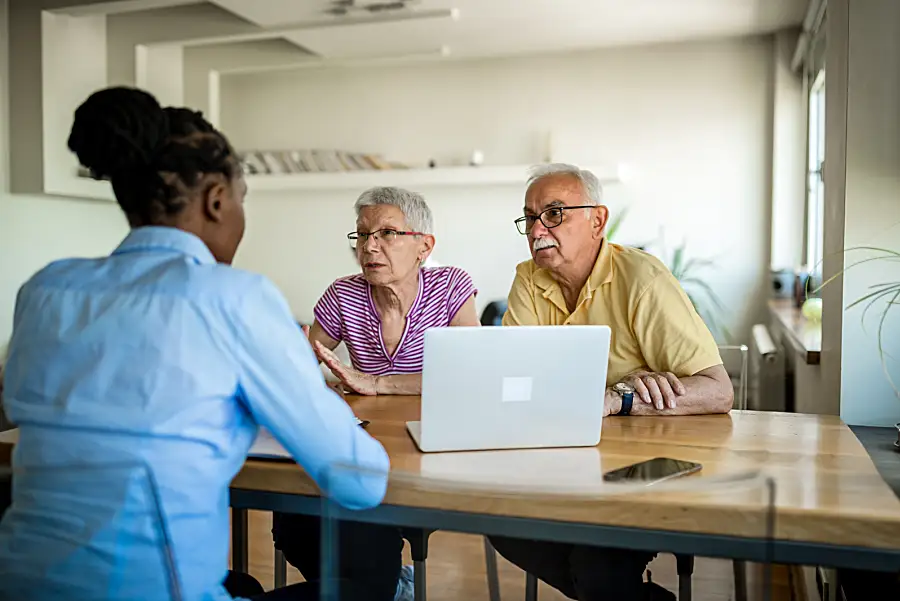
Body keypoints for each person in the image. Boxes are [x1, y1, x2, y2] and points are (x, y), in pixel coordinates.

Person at [0, 87, 389, 601]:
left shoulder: (47, 289)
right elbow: (358, 481)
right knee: (363, 588)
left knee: (242, 582)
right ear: (216, 200)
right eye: (243, 200)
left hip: (19, 584)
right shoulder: (234, 298)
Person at [490, 163, 734, 601]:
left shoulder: (643, 278)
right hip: (565, 462)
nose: (536, 229)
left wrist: (621, 399)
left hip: (649, 466)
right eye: (529, 217)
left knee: (596, 564)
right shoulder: (529, 278)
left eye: (554, 213)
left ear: (597, 221)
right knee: (502, 525)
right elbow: (516, 379)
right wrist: (622, 386)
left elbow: (718, 390)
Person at [273, 186, 480, 601]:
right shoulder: (344, 294)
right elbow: (303, 363)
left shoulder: (451, 286)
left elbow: (471, 373)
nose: (370, 246)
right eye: (362, 234)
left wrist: (377, 383)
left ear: (424, 246)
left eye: (386, 233)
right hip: (365, 446)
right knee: (294, 519)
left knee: (363, 529)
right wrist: (289, 361)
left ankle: (377, 586)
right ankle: (376, 589)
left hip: (430, 450)